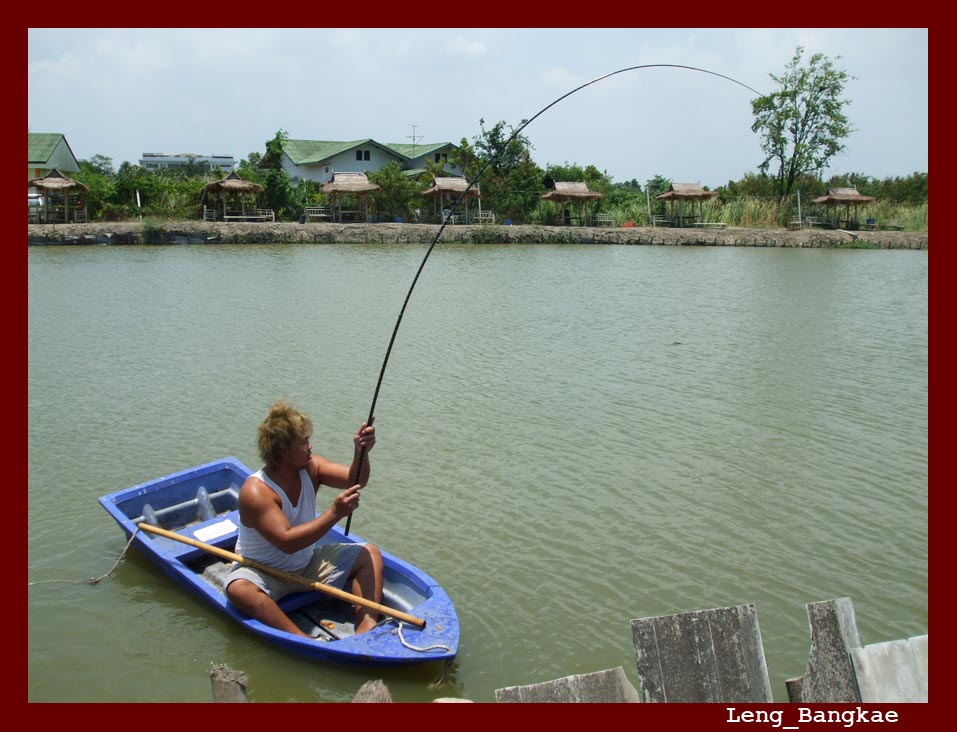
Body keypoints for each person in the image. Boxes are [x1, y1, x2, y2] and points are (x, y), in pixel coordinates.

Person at [224, 400, 382, 637]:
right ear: (283, 451)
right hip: (263, 572)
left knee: (369, 553)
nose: (310, 447)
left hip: (306, 564)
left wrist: (361, 452)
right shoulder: (256, 491)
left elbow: (354, 479)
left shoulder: (312, 467)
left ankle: (366, 625)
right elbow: (287, 543)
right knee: (238, 589)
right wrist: (334, 513)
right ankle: (300, 637)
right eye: (304, 442)